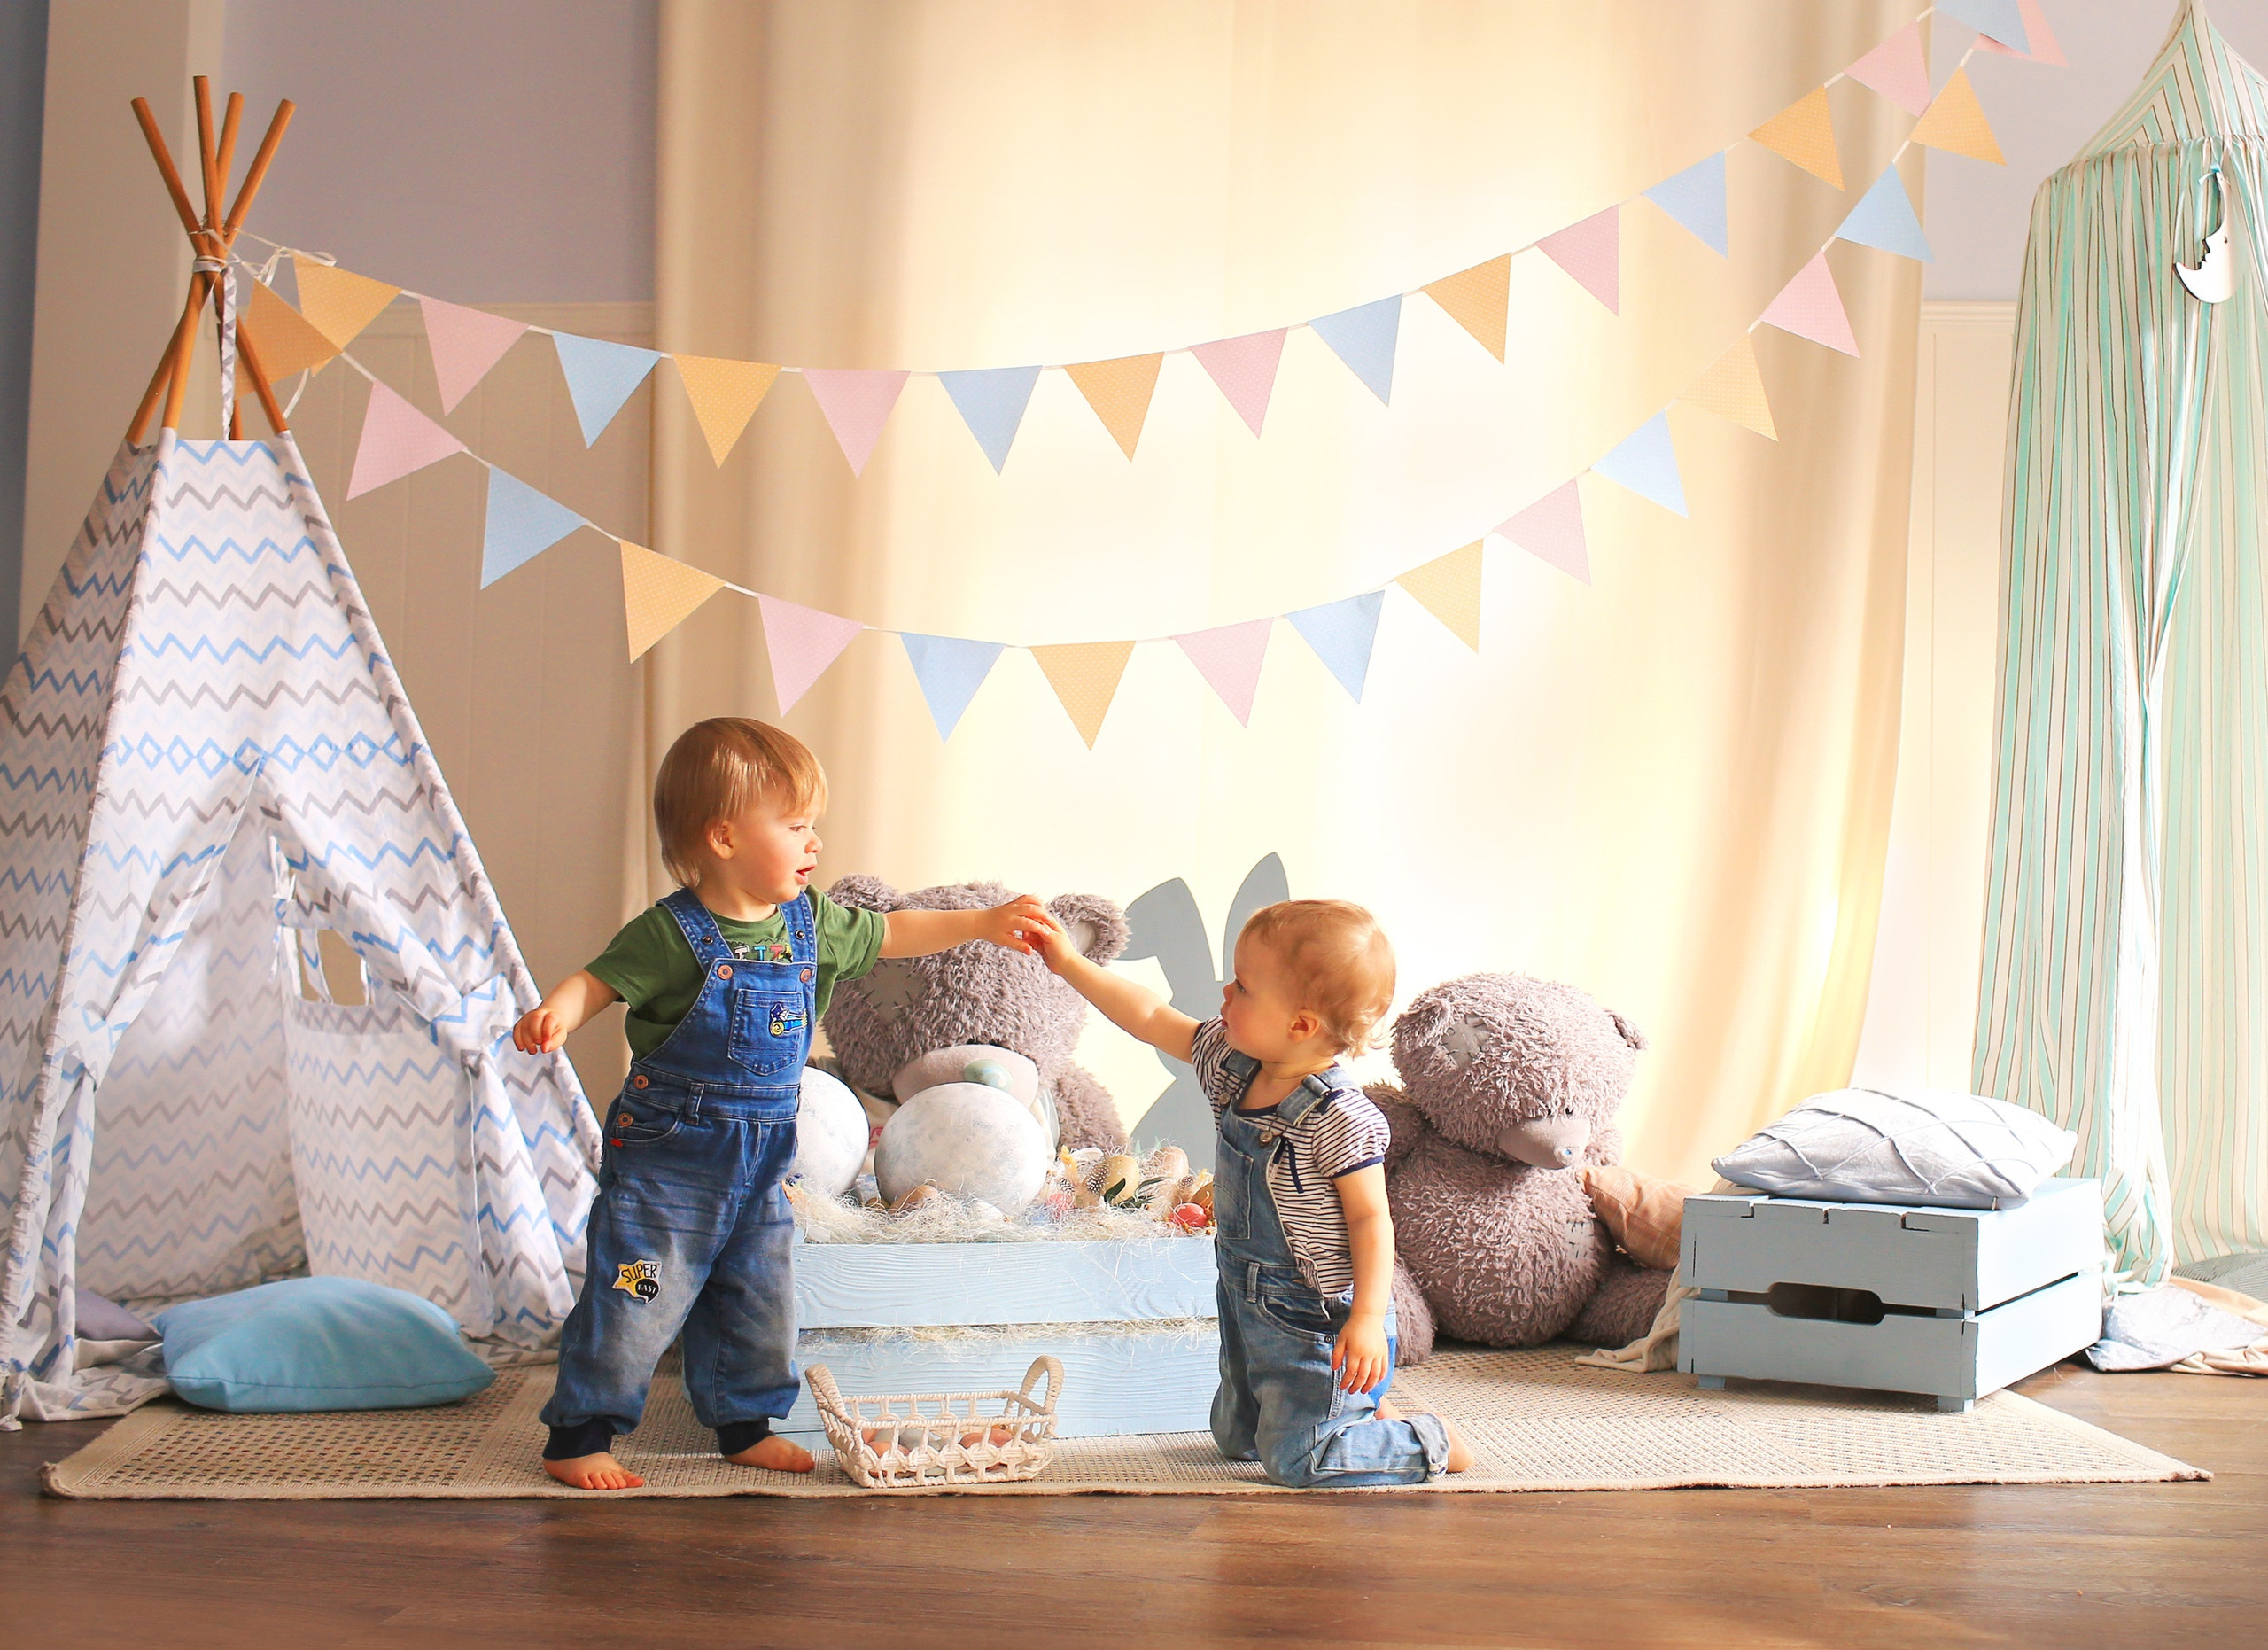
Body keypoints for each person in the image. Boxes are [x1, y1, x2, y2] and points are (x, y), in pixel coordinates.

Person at [513, 717, 1058, 1490]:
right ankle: (580, 1434)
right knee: (637, 1295)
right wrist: (557, 1014)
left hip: (762, 1168)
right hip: (670, 1170)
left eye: (814, 826)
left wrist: (980, 924)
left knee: (759, 1301)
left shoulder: (813, 922)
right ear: (725, 838)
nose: (815, 843)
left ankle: (744, 1427)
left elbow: (894, 932)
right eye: (797, 826)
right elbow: (597, 981)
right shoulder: (672, 934)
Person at [1035, 898, 1471, 1486]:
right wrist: (1068, 963)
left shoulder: (1340, 1117)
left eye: (1242, 987)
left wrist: (1367, 1318)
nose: (1225, 993)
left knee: (1298, 1460)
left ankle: (1429, 1440)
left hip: (1316, 1313)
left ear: (1300, 1025)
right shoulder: (1234, 1064)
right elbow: (1151, 1016)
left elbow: (1371, 1221)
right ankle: (1353, 1410)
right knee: (1236, 1437)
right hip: (1244, 1291)